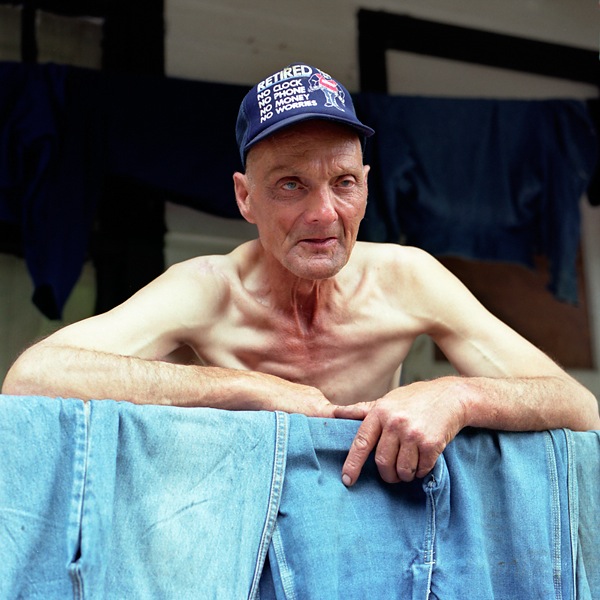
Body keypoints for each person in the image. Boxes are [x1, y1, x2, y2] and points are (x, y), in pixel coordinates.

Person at [3, 64, 599, 487]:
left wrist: (458, 394)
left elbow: (579, 407)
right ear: (245, 198)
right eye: (291, 184)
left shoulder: (408, 278)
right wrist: (246, 390)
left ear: (366, 186)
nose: (323, 215)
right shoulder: (209, 289)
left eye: (343, 183)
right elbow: (33, 375)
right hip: (236, 522)